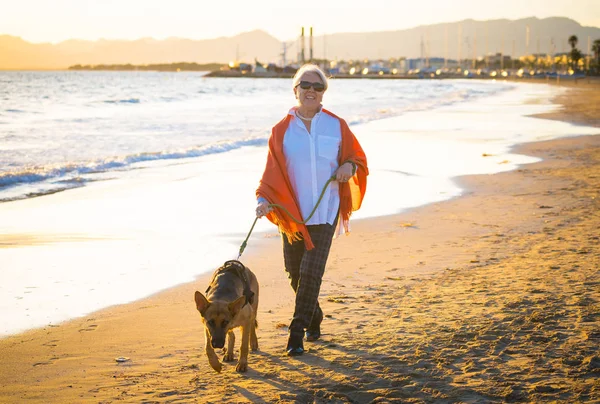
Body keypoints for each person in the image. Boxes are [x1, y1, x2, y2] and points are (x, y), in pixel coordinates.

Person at [255, 64, 368, 356]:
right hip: (293, 215)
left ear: (323, 93)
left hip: (325, 211)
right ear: (295, 89)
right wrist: (263, 200)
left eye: (318, 87)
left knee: (310, 273)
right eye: (306, 85)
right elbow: (271, 171)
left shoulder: (336, 124)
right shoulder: (280, 130)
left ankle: (296, 333)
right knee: (293, 272)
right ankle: (314, 315)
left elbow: (357, 157)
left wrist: (349, 166)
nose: (311, 91)